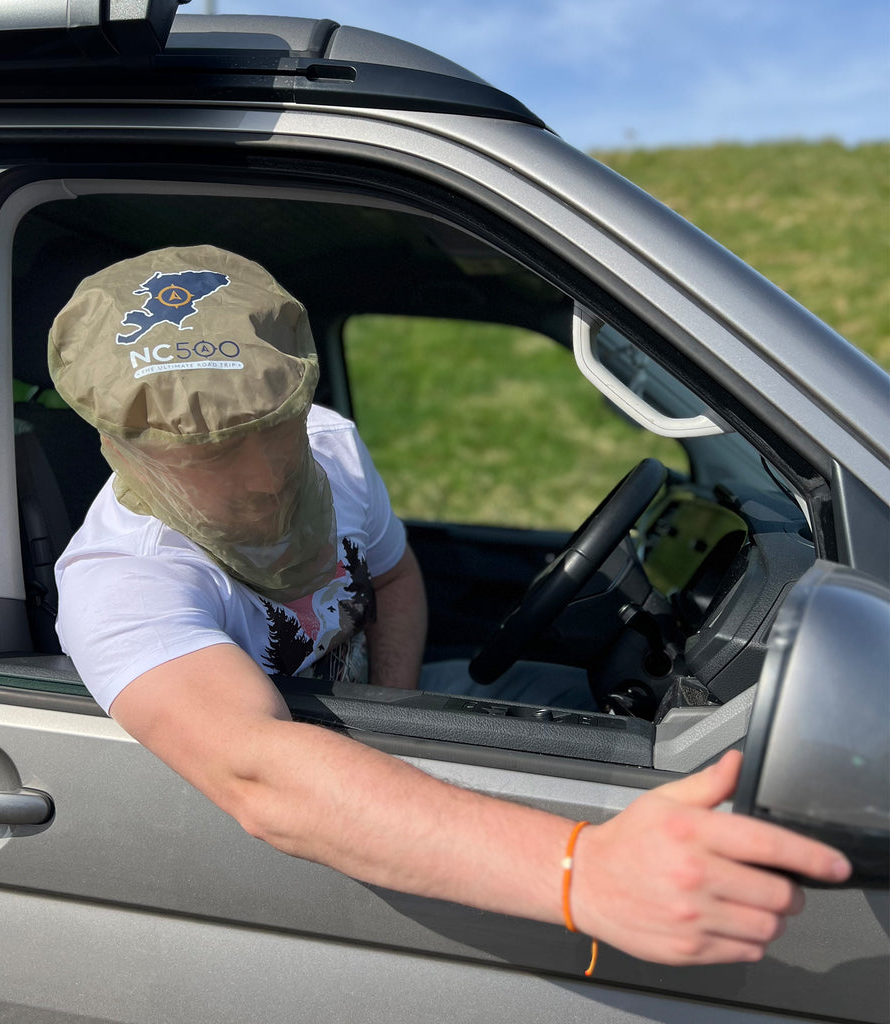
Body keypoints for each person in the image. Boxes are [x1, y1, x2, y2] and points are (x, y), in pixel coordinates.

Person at [50, 244, 851, 971]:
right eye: (211, 454)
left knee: (629, 730)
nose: (263, 475)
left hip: (374, 699)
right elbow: (260, 774)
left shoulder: (328, 445)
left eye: (275, 426)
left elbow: (394, 580)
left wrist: (391, 712)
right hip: (286, 810)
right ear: (128, 447)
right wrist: (584, 872)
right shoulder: (124, 579)